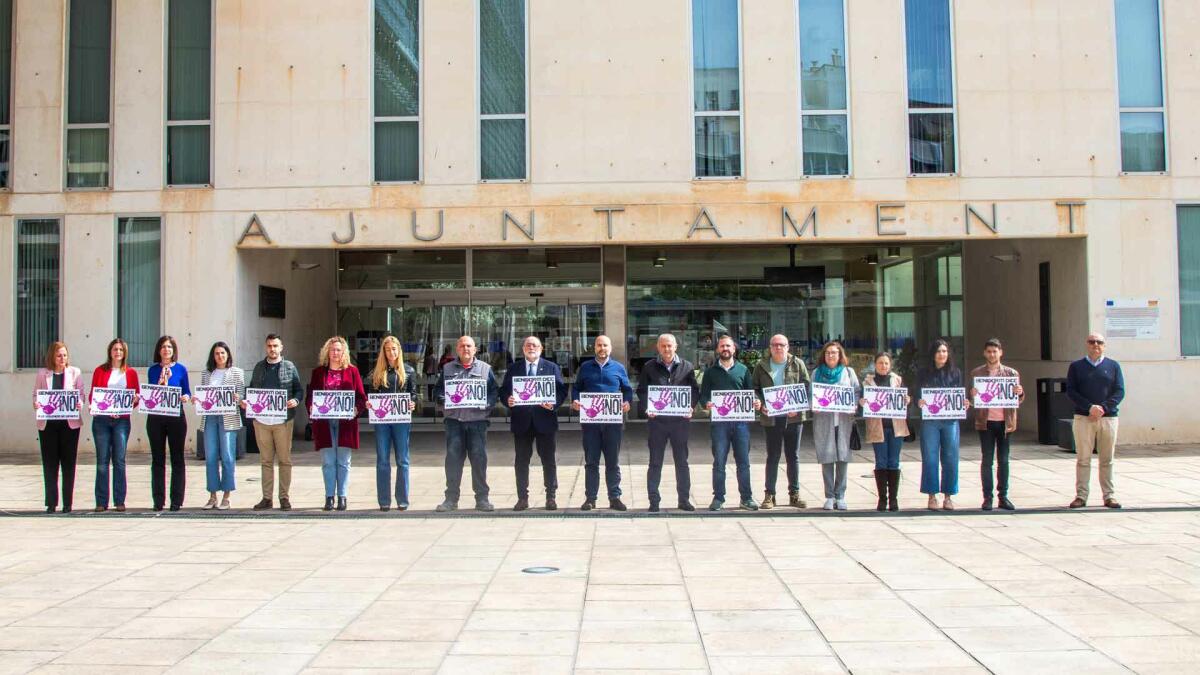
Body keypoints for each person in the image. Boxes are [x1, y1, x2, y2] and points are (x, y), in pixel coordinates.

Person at [500, 336, 566, 511]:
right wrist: (508, 400)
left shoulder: (552, 368)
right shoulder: (514, 368)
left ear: (541, 348)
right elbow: (504, 391)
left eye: (535, 345)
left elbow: (561, 391)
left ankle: (551, 497)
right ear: (523, 349)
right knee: (521, 461)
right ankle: (522, 498)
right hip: (521, 422)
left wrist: (554, 404)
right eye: (528, 345)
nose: (531, 348)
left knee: (549, 461)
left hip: (545, 421)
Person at [636, 333, 699, 512]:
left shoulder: (687, 367)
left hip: (680, 423)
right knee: (655, 462)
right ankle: (654, 501)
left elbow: (694, 391)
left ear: (675, 347)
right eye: (663, 346)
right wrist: (647, 406)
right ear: (658, 347)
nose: (666, 349)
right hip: (658, 423)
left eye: (669, 346)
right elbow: (641, 391)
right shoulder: (649, 367)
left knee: (682, 462)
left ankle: (684, 500)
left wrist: (691, 406)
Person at [699, 334, 762, 511]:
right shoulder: (710, 372)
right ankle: (718, 498)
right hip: (719, 424)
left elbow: (751, 392)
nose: (725, 349)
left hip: (741, 423)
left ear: (734, 349)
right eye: (722, 346)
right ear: (718, 349)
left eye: (728, 346)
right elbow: (704, 394)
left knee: (743, 462)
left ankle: (746, 498)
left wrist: (756, 401)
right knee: (719, 462)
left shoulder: (743, 370)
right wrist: (707, 403)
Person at [435, 335, 498, 512]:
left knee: (479, 460)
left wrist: (487, 404)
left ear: (475, 349)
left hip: (477, 422)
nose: (466, 349)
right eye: (462, 346)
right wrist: (442, 398)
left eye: (469, 346)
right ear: (457, 349)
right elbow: (438, 390)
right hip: (454, 422)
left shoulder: (486, 369)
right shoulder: (447, 369)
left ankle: (482, 499)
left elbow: (494, 392)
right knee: (453, 460)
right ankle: (451, 500)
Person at [243, 334, 304, 511]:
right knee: (266, 461)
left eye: (275, 346)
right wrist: (248, 402)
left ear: (281, 347)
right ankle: (267, 498)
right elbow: (253, 390)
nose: (272, 349)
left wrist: (296, 401)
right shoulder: (259, 367)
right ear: (265, 347)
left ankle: (284, 497)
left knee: (285, 460)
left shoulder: (289, 366)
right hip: (261, 421)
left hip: (283, 421)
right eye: (269, 346)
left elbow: (298, 390)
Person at [571, 335, 633, 511]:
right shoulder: (585, 368)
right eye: (599, 345)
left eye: (605, 345)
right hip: (591, 424)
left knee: (613, 461)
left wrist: (627, 402)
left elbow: (627, 390)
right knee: (591, 461)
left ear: (610, 348)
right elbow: (576, 388)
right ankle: (590, 498)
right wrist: (575, 400)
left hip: (612, 423)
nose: (602, 348)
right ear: (594, 348)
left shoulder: (619, 368)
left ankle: (615, 497)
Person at [306, 336, 367, 511]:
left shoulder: (352, 371)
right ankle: (329, 497)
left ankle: (342, 496)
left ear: (344, 352)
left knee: (343, 461)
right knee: (327, 461)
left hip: (345, 423)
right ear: (327, 351)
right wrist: (311, 408)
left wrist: (356, 409)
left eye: (339, 350)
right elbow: (310, 396)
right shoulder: (318, 372)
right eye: (332, 350)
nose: (335, 353)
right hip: (324, 422)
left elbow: (361, 397)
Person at [751, 334, 810, 509]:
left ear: (787, 347)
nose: (778, 348)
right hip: (771, 418)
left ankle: (794, 493)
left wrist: (797, 406)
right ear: (770, 347)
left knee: (793, 456)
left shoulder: (798, 364)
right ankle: (770, 495)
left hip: (793, 418)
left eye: (781, 345)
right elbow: (754, 389)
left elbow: (806, 386)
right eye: (775, 345)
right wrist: (761, 404)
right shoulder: (761, 366)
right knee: (773, 456)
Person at [1067, 332, 1125, 509]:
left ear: (1104, 345)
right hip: (1084, 418)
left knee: (1107, 459)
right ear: (1087, 344)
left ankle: (1109, 496)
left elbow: (1119, 391)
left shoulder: (1113, 366)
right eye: (1092, 342)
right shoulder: (1076, 366)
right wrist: (1089, 407)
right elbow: (1071, 391)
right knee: (1083, 459)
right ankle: (1081, 496)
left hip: (1108, 419)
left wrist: (1103, 408)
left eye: (1099, 342)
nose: (1095, 345)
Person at [969, 338, 1024, 511]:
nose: (992, 354)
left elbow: (1018, 399)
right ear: (985, 353)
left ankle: (1003, 496)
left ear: (1001, 352)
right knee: (987, 460)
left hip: (1005, 422)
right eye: (989, 351)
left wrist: (1020, 392)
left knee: (1004, 460)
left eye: (995, 351)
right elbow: (970, 400)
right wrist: (972, 394)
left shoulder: (1011, 374)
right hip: (985, 422)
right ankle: (987, 497)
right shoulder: (976, 373)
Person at [367, 336, 418, 511]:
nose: (391, 352)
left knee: (403, 460)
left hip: (401, 422)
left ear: (399, 351)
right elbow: (371, 394)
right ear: (383, 351)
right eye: (388, 349)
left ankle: (402, 500)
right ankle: (384, 501)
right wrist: (369, 403)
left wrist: (412, 403)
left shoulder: (409, 371)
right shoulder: (377, 372)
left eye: (394, 349)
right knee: (382, 459)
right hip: (382, 422)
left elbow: (414, 394)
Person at [33, 342, 84, 513]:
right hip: (48, 424)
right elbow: (36, 394)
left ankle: (67, 503)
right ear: (52, 357)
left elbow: (81, 393)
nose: (62, 358)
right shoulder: (42, 374)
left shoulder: (75, 373)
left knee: (69, 463)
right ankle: (51, 502)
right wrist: (36, 403)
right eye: (59, 355)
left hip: (69, 425)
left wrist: (80, 403)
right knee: (50, 463)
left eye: (64, 355)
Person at [811, 340, 861, 510]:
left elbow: (856, 391)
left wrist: (853, 404)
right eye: (828, 352)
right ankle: (829, 496)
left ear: (840, 355)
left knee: (842, 458)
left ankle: (841, 495)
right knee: (827, 457)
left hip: (844, 421)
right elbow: (811, 394)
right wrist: (814, 404)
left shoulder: (848, 372)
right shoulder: (817, 373)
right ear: (823, 355)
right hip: (824, 421)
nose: (831, 355)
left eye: (834, 352)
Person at [917, 339, 965, 511]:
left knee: (951, 458)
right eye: (938, 351)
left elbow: (960, 394)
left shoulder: (956, 373)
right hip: (930, 421)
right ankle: (931, 495)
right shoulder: (923, 373)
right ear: (933, 354)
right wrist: (919, 401)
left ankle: (948, 496)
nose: (942, 354)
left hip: (950, 421)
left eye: (944, 351)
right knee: (930, 458)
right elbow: (917, 395)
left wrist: (964, 403)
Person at [90, 339, 138, 512]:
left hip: (121, 421)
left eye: (120, 349)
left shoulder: (131, 373)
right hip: (101, 420)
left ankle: (119, 500)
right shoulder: (99, 371)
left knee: (119, 460)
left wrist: (133, 402)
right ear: (110, 351)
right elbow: (93, 395)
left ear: (124, 353)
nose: (117, 352)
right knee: (102, 461)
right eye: (115, 349)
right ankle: (101, 501)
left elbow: (135, 397)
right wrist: (95, 406)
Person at [146, 335, 192, 511]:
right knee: (158, 459)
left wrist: (185, 397)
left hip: (176, 417)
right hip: (156, 418)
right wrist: (162, 381)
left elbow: (186, 390)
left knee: (177, 458)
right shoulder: (153, 370)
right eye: (164, 347)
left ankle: (176, 500)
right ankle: (158, 500)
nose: (167, 350)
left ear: (174, 351)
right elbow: (152, 392)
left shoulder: (181, 369)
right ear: (159, 350)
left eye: (170, 347)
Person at [861, 352, 910, 512]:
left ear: (890, 365)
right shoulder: (868, 382)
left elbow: (905, 399)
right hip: (878, 428)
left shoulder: (897, 380)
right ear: (875, 364)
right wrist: (862, 402)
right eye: (880, 363)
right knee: (881, 462)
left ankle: (893, 499)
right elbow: (863, 401)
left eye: (886, 363)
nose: (883, 366)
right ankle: (882, 499)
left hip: (896, 427)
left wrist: (907, 400)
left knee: (894, 462)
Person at [199, 341, 245, 510]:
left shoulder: (236, 372)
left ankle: (226, 495)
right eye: (217, 353)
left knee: (227, 455)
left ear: (228, 355)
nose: (220, 356)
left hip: (228, 417)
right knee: (210, 456)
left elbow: (241, 395)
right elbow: (203, 394)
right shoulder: (206, 374)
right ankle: (212, 495)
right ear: (213, 356)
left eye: (223, 353)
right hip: (210, 417)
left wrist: (237, 398)